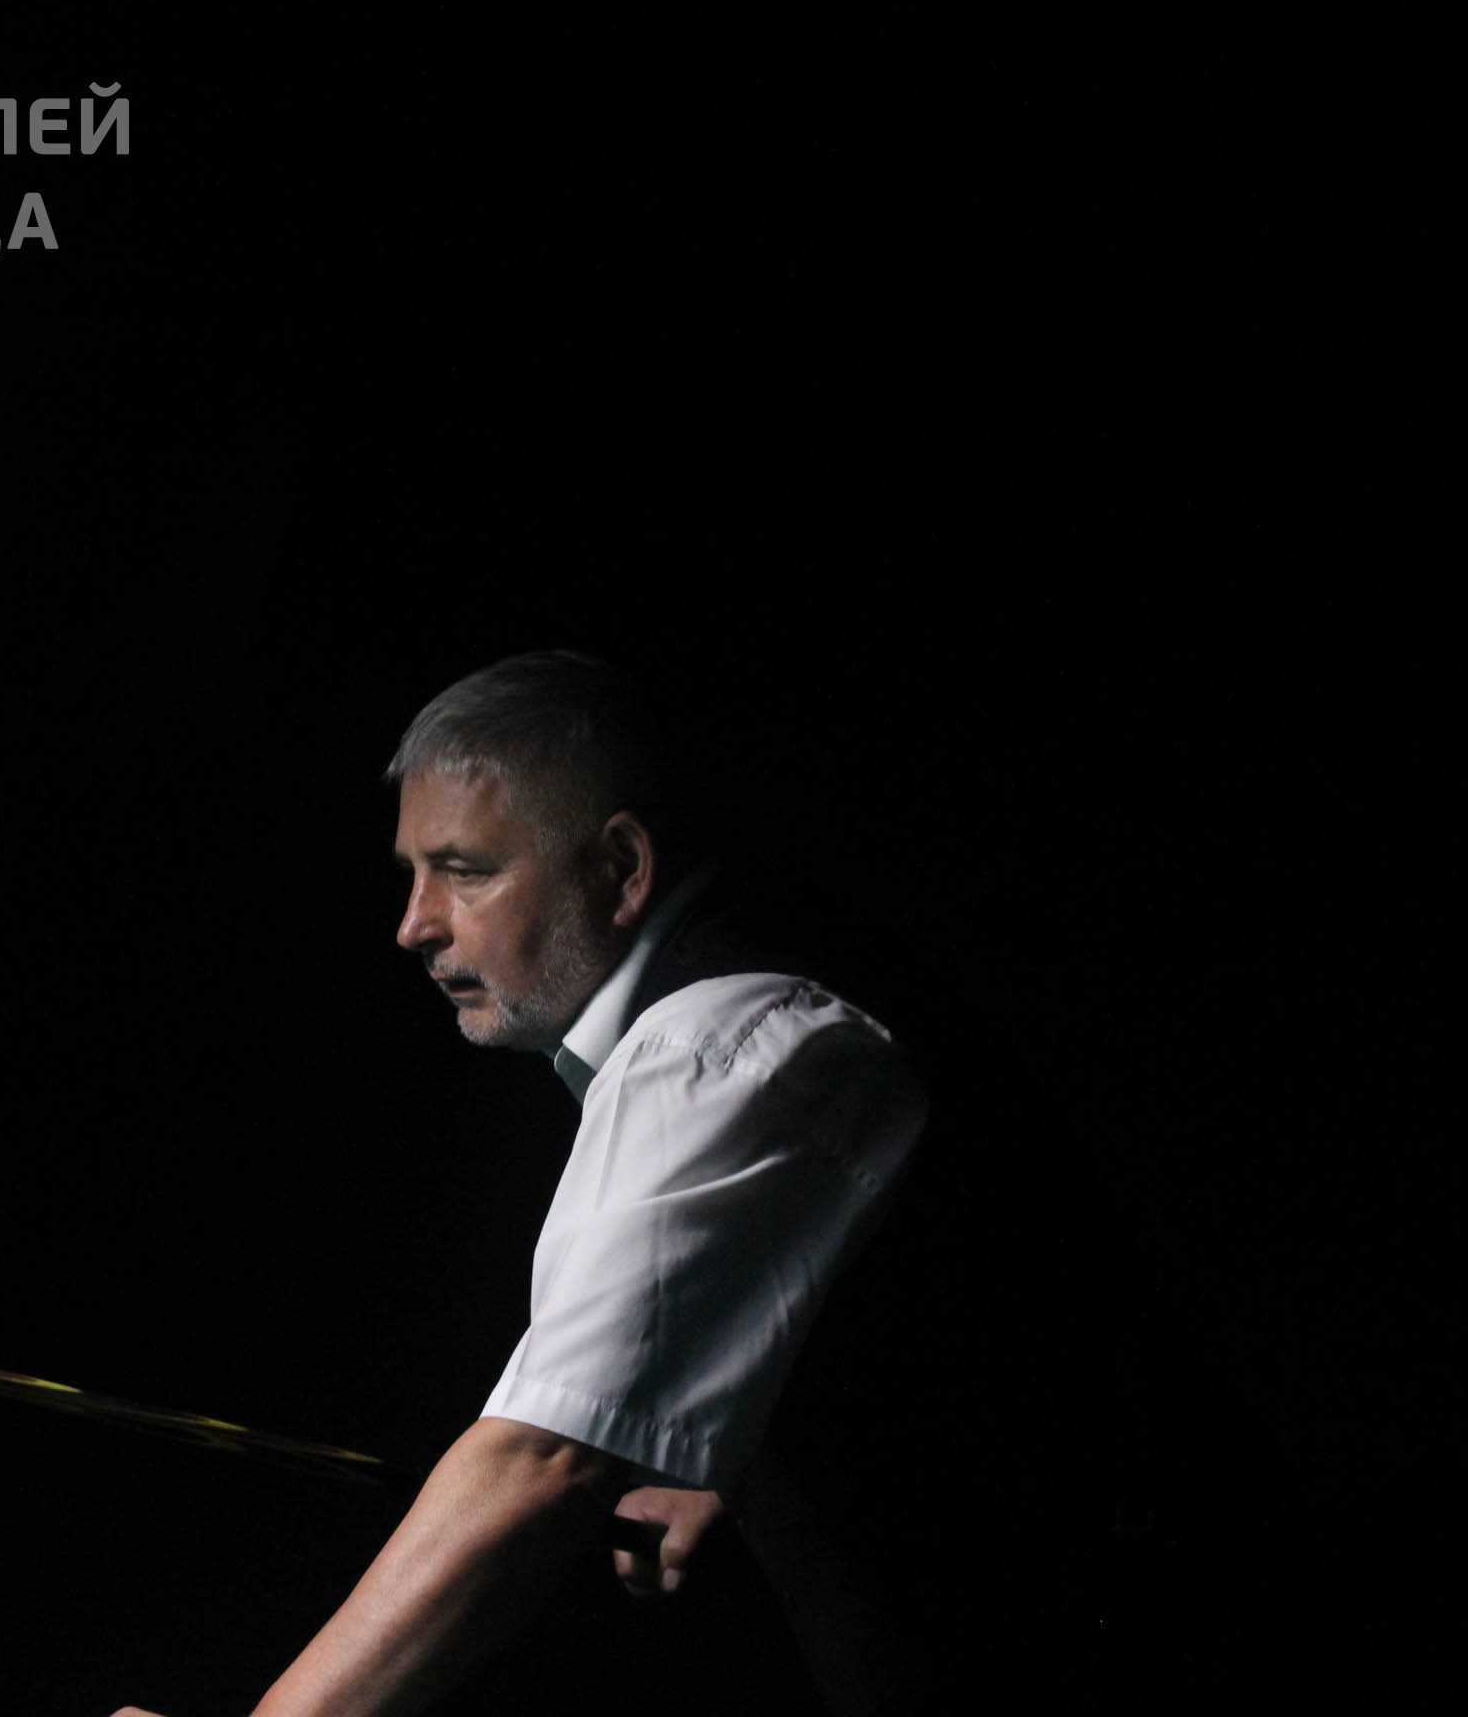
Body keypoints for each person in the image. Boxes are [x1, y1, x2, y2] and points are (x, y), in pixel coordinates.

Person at [115, 652, 927, 1716]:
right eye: (412, 873)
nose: (415, 923)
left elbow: (540, 1463)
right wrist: (728, 1463)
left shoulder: (717, 1047)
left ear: (621, 869)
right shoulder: (748, 1015)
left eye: (464, 870)